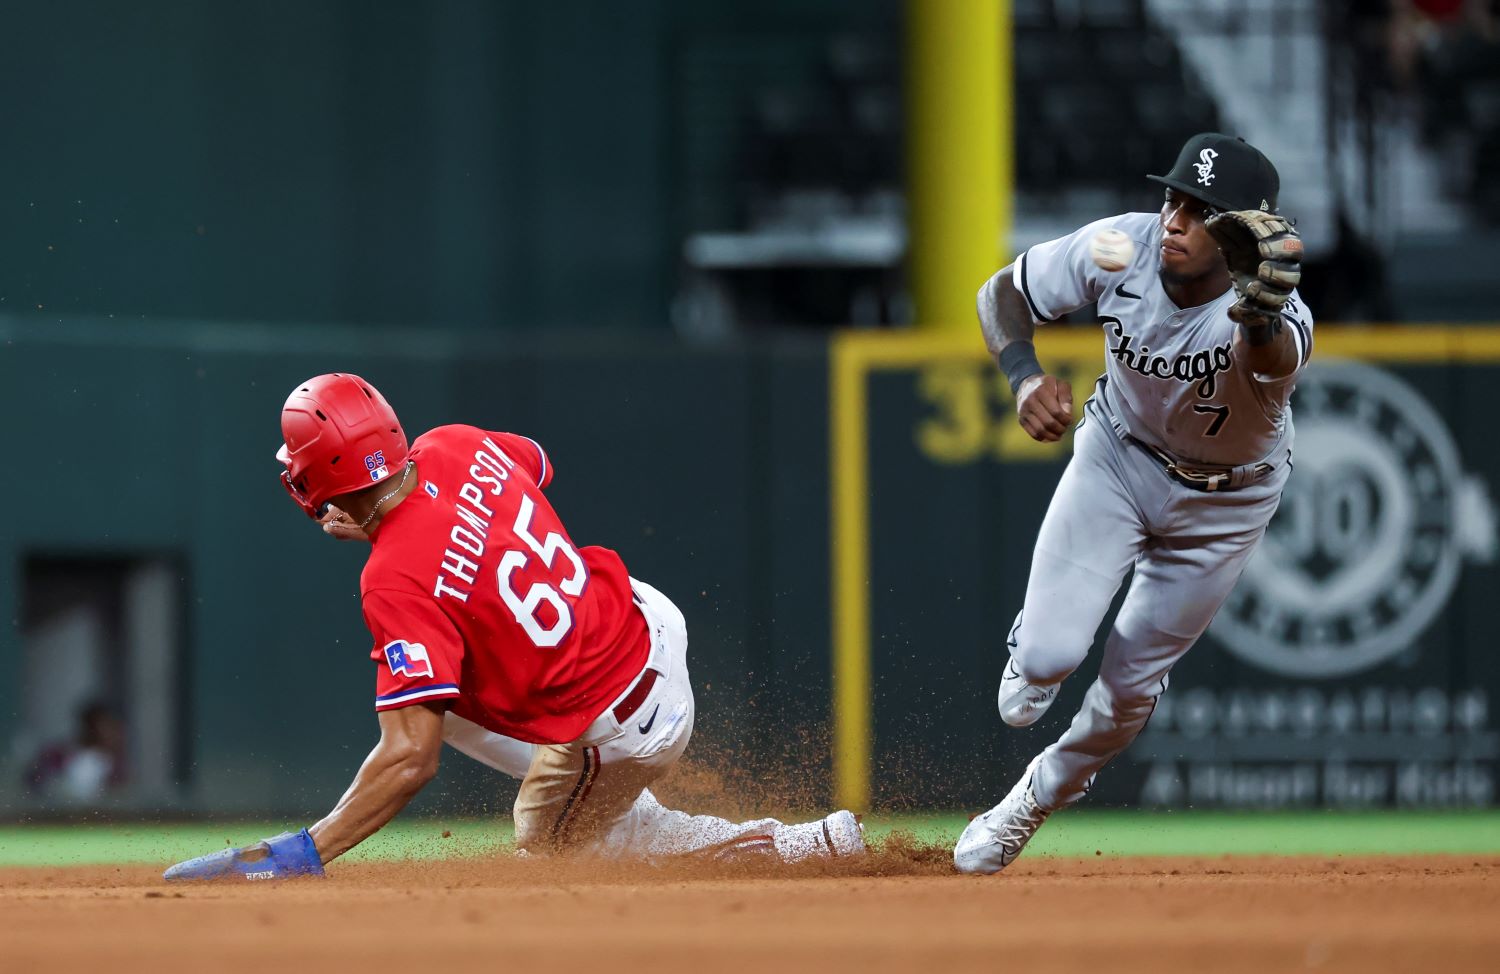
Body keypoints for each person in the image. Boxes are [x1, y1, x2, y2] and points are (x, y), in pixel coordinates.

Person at [165, 374, 863, 881]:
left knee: (557, 849)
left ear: (320, 478)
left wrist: (304, 852)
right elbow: (532, 467)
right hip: (645, 621)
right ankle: (611, 802)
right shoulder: (453, 444)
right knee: (439, 693)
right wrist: (395, 520)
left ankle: (794, 846)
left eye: (299, 460)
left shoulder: (392, 581)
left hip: (625, 719)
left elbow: (411, 760)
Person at [953, 134, 1310, 874]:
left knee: (1124, 695)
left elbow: (1275, 358)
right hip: (1117, 458)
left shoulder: (1273, 318)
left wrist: (1265, 315)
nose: (1174, 218)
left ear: (1245, 232)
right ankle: (1039, 647)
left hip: (1225, 506)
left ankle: (1032, 800)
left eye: (1202, 210)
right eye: (1173, 197)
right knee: (1045, 664)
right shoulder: (1122, 245)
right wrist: (1022, 377)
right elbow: (1002, 295)